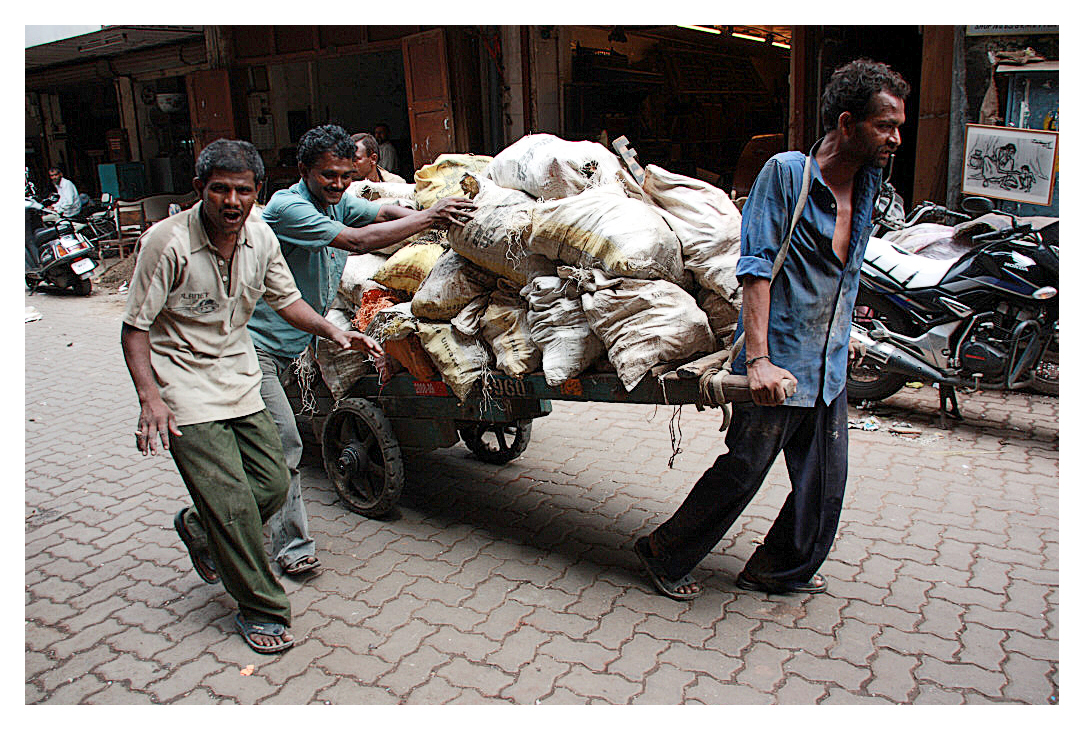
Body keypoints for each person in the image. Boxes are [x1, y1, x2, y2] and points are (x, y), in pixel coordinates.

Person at [634, 59, 910, 601]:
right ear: (848, 122)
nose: (896, 138)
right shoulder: (786, 175)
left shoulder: (873, 180)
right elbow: (755, 271)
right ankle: (663, 552)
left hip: (825, 362)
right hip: (777, 360)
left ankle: (779, 568)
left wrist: (845, 332)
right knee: (744, 468)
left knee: (826, 484)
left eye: (899, 125)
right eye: (886, 125)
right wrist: (757, 360)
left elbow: (846, 270)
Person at [120, 138, 382, 653]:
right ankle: (262, 609)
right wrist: (150, 398)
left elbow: (286, 299)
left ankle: (199, 526)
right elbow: (135, 328)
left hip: (238, 375)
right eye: (221, 189)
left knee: (270, 482)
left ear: (257, 191)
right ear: (200, 190)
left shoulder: (260, 236)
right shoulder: (165, 242)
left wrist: (334, 332)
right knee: (233, 503)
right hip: (182, 386)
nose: (233, 201)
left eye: (243, 190)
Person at [246, 124, 475, 577]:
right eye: (329, 175)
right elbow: (357, 241)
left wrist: (421, 207)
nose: (339, 184)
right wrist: (432, 219)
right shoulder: (289, 208)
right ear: (304, 170)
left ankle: (215, 519)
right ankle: (287, 546)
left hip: (296, 345)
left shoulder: (338, 197)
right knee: (284, 448)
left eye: (347, 175)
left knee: (259, 448)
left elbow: (377, 212)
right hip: (258, 349)